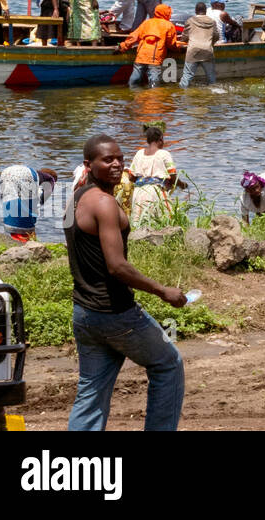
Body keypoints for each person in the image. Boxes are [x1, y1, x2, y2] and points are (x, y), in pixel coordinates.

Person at [66, 133, 186, 432]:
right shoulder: (105, 204)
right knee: (168, 363)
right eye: (107, 160)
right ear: (88, 164)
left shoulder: (76, 198)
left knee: (91, 392)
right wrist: (162, 291)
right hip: (116, 314)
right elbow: (117, 266)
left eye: (119, 158)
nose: (117, 164)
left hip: (84, 313)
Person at [122, 125, 177, 227]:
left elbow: (131, 177)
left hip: (139, 192)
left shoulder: (139, 153)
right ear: (161, 139)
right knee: (163, 221)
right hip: (156, 191)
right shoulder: (164, 154)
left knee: (139, 221)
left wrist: (143, 180)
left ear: (147, 140)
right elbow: (173, 176)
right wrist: (180, 184)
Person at [116, 3, 178, 87]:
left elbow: (133, 37)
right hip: (155, 57)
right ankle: (153, 95)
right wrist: (177, 49)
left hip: (141, 55)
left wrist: (123, 46)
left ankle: (131, 92)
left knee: (134, 80)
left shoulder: (147, 22)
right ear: (166, 13)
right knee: (154, 83)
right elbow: (171, 44)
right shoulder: (169, 25)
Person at [0, 165, 58, 241]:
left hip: (7, 173)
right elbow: (41, 199)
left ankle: (16, 236)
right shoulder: (50, 178)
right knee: (27, 215)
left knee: (12, 204)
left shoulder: (35, 177)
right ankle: (26, 239)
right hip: (25, 174)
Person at [179, 1, 221, 87]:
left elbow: (184, 36)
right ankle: (213, 92)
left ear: (195, 11)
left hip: (193, 51)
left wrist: (184, 41)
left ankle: (182, 93)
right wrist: (210, 44)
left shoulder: (190, 21)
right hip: (207, 51)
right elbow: (216, 36)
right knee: (211, 77)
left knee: (187, 76)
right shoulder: (212, 21)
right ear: (205, 11)